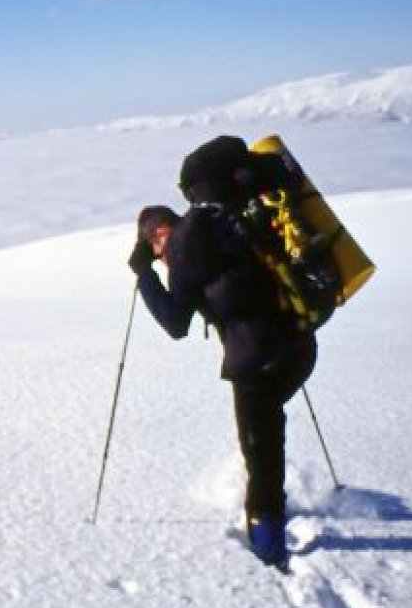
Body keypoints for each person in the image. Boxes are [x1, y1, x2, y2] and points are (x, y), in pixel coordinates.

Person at [127, 135, 317, 567]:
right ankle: (271, 507)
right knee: (267, 431)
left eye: (156, 251)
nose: (161, 258)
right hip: (301, 346)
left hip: (258, 361)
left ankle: (267, 554)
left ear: (159, 235)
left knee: (261, 454)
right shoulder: (226, 223)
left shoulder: (183, 244)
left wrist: (145, 277)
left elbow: (176, 324)